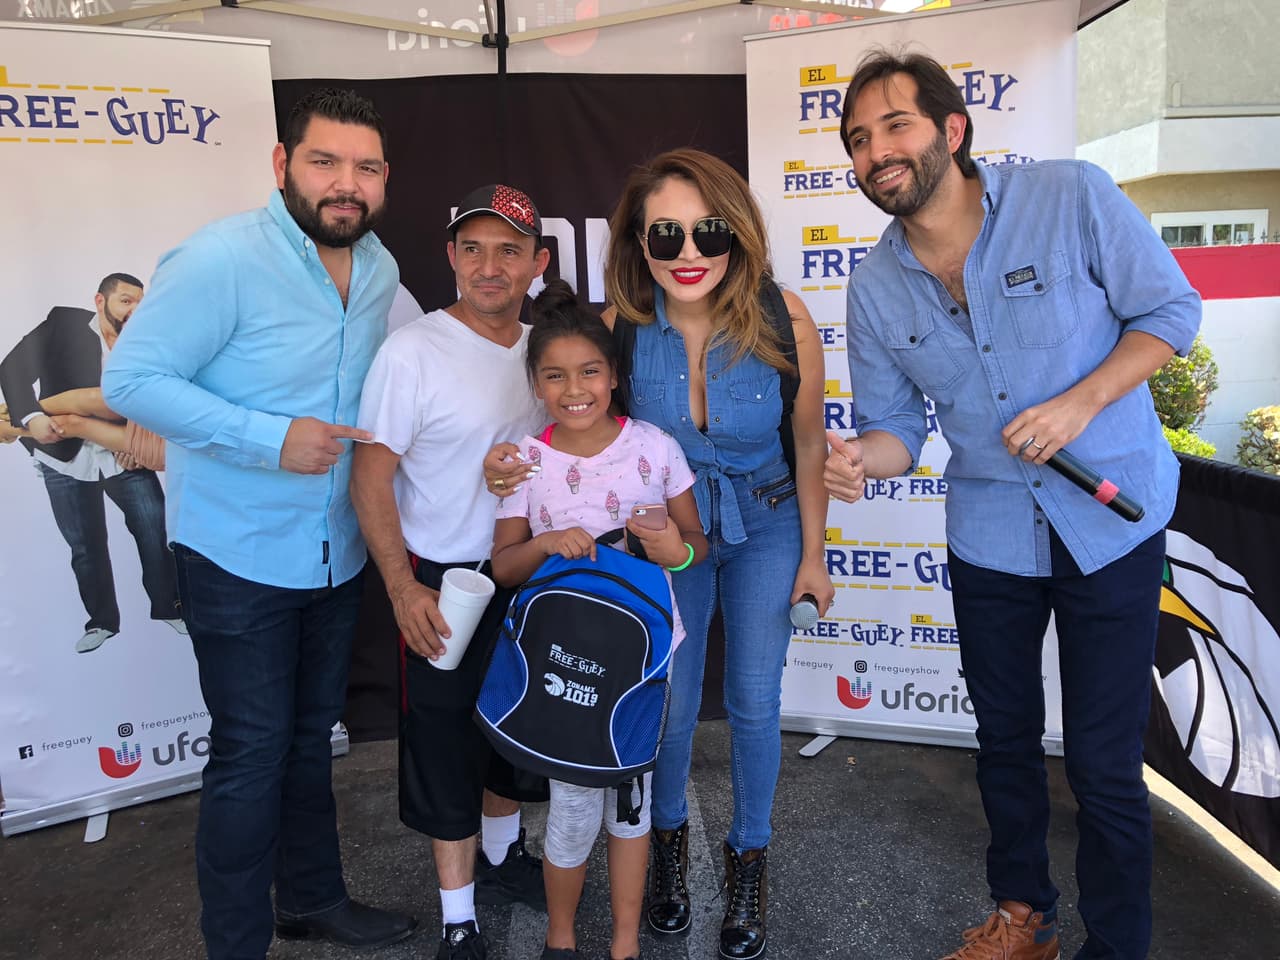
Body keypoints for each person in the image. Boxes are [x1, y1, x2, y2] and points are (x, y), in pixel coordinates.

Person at [823, 51, 1201, 960]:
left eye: (895, 126)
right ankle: (1023, 919)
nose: (877, 151)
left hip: (1111, 523)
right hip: (990, 535)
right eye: (858, 139)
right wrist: (857, 462)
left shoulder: (1071, 196)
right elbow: (894, 430)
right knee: (1003, 742)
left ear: (952, 131)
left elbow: (1172, 312)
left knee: (1106, 767)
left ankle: (1117, 947)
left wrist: (1081, 403)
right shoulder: (873, 285)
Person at [101, 88, 416, 960]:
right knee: (249, 756)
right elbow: (132, 382)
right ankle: (235, 945)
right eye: (325, 162)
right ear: (283, 165)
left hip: (334, 554)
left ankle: (310, 900)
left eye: (365, 167)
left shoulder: (381, 268)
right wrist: (268, 439)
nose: (344, 183)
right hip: (236, 556)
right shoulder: (220, 259)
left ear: (385, 180)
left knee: (312, 740)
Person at [518, 148, 831, 960]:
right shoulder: (624, 327)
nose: (689, 253)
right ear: (639, 242)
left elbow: (806, 445)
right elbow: (588, 429)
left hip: (766, 526)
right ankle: (667, 855)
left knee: (757, 704)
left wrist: (815, 555)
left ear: (740, 231)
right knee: (672, 707)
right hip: (664, 540)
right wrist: (512, 472)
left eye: (709, 230)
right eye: (667, 235)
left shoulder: (785, 317)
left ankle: (748, 860)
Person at [350, 184, 555, 960]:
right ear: (450, 257)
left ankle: (503, 861)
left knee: (513, 736)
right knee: (442, 748)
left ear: (538, 261)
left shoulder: (546, 353)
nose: (490, 266)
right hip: (443, 577)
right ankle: (458, 917)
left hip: (526, 575)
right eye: (473, 248)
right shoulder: (413, 351)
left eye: (509, 249)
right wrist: (403, 587)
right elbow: (370, 477)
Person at [489, 279, 708, 960]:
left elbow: (696, 550)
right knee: (573, 806)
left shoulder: (655, 447)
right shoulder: (526, 462)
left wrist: (671, 547)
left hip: (642, 666)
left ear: (615, 375)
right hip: (564, 668)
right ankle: (560, 941)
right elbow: (503, 568)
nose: (573, 388)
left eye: (589, 371)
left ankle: (622, 945)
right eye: (554, 375)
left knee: (630, 806)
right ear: (535, 384)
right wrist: (549, 543)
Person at [0, 273, 181, 653]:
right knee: (84, 545)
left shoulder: (149, 343)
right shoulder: (63, 323)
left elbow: (160, 397)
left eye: (141, 302)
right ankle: (101, 622)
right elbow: (13, 368)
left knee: (155, 532)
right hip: (62, 457)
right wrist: (31, 419)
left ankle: (170, 607)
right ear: (100, 301)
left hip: (124, 455)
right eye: (127, 301)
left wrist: (139, 440)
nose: (136, 310)